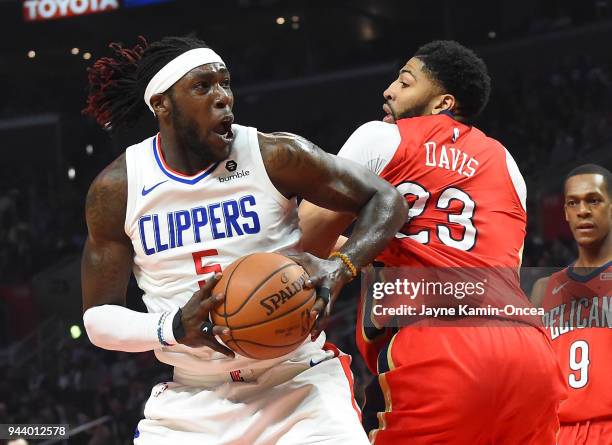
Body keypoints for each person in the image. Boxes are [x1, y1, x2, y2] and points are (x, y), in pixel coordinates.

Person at [80, 35, 406, 445]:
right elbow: (97, 319)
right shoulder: (118, 188)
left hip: (297, 383)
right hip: (192, 400)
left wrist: (342, 267)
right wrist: (173, 327)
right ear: (162, 104)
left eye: (225, 83)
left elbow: (386, 199)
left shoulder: (273, 155)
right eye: (203, 87)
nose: (223, 98)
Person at [299, 40, 566, 444]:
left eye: (405, 83)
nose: (389, 90)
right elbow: (500, 268)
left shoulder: (380, 138)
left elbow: (306, 234)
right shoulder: (509, 165)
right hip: (529, 352)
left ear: (443, 103)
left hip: (439, 350)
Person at [531, 164, 612, 445]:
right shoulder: (544, 290)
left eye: (594, 200)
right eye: (573, 202)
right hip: (556, 433)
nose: (583, 211)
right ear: (564, 212)